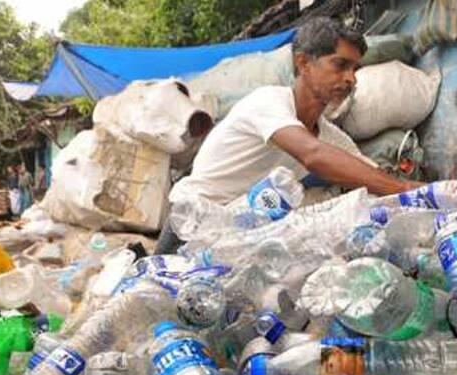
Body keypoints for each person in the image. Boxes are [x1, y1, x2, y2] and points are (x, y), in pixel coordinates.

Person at [156, 17, 422, 254]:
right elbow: (313, 155)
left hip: (233, 237)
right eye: (340, 65)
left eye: (355, 69)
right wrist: (403, 189)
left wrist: (430, 194)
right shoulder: (268, 102)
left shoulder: (329, 135)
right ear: (304, 63)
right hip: (189, 226)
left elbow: (373, 177)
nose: (351, 78)